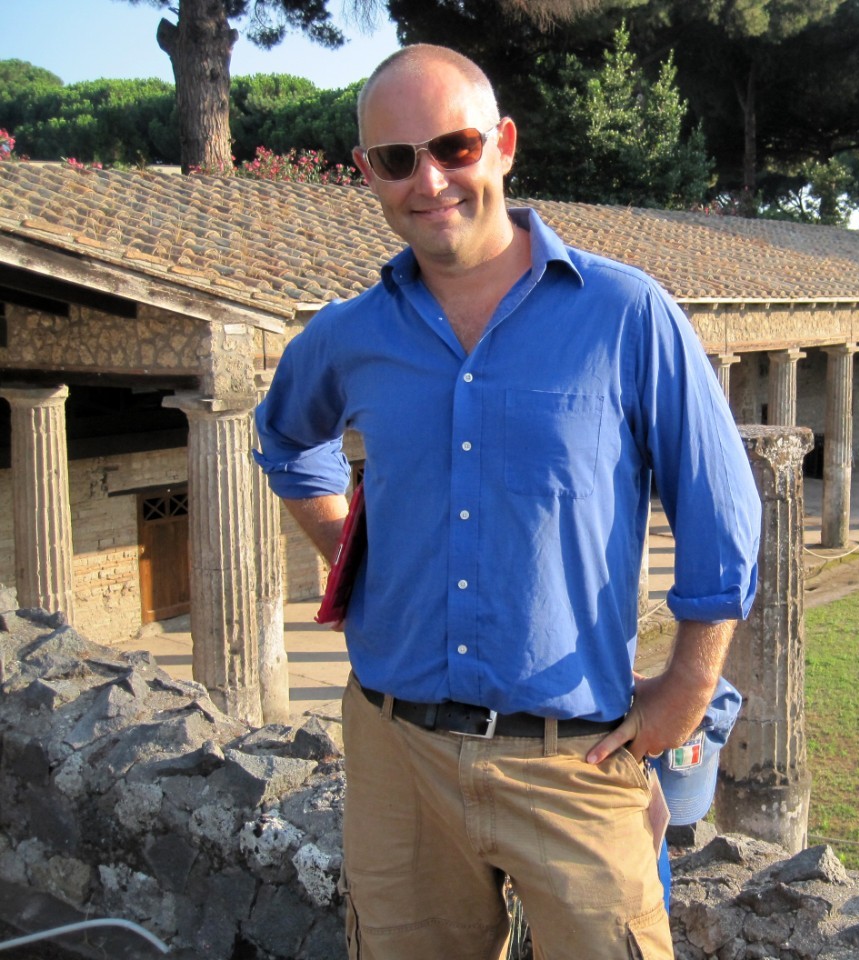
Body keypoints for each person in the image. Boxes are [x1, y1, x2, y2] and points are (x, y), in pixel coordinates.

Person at [254, 44, 761, 960]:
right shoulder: (348, 334)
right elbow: (287, 438)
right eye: (398, 159)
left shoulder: (626, 314)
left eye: (455, 145)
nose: (431, 179)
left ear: (505, 144)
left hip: (573, 761)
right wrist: (348, 553)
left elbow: (720, 507)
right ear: (368, 172)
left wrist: (689, 683)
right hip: (395, 751)